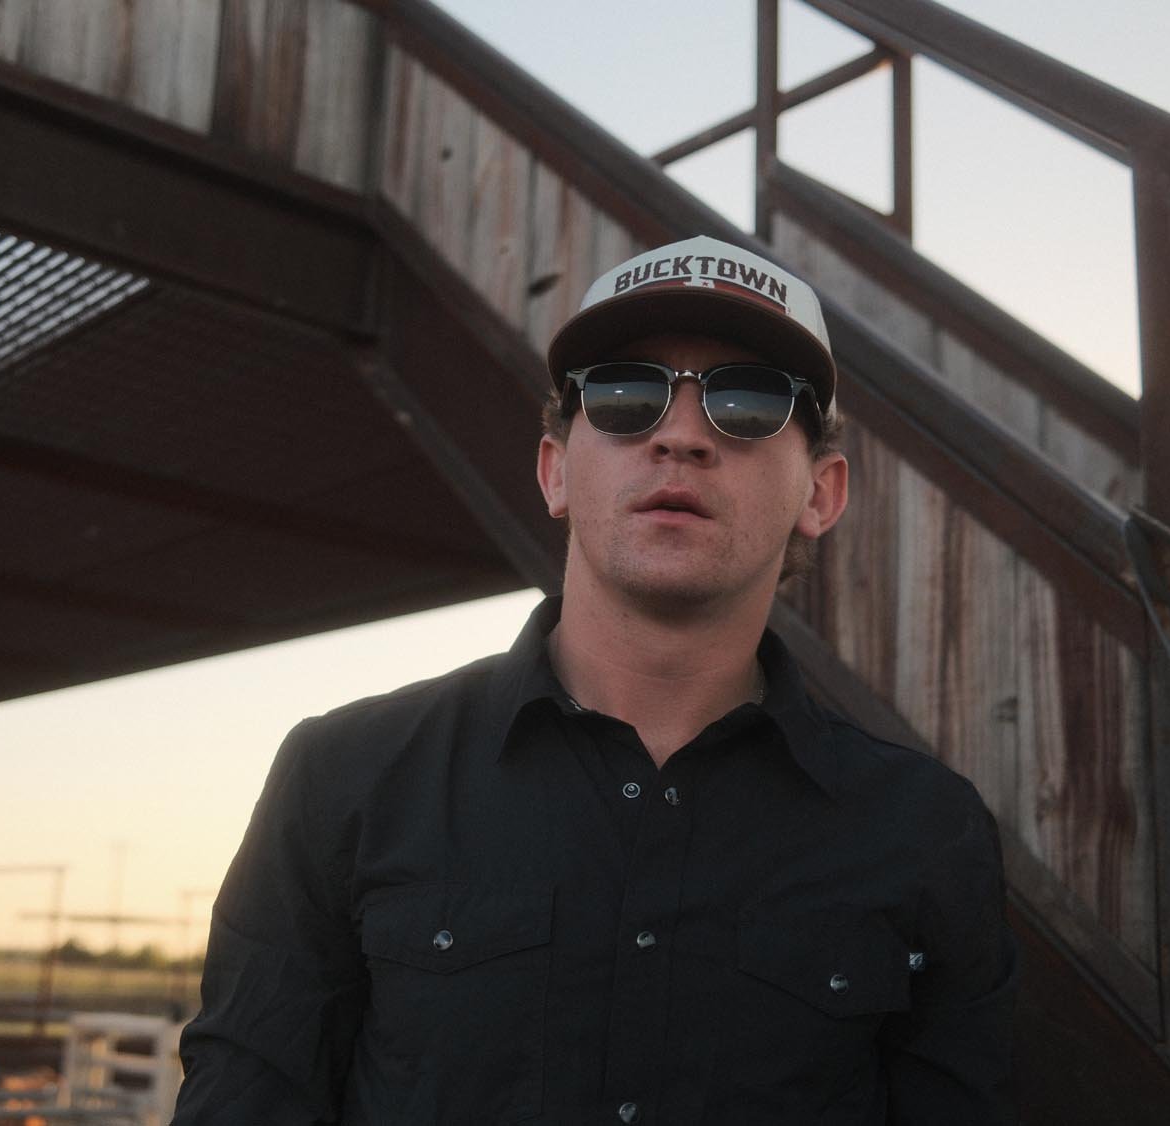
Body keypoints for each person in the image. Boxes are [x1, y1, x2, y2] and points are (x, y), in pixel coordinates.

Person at [173, 235, 1016, 1124]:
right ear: (555, 470)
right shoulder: (343, 777)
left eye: (749, 399)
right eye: (622, 395)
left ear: (822, 492)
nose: (682, 435)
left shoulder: (926, 831)